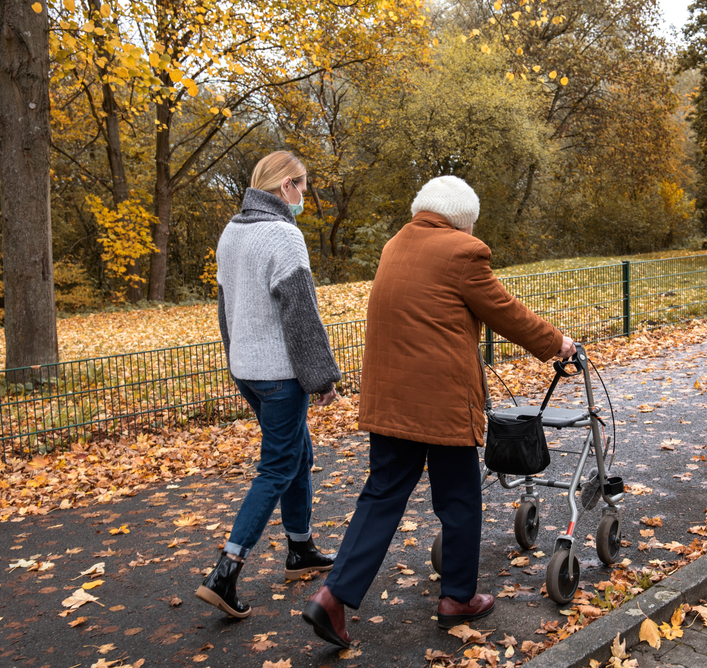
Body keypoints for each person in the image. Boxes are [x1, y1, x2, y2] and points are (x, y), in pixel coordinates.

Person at [303, 175, 575, 648]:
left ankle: (333, 596)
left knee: (382, 494)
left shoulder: (395, 245)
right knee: (460, 497)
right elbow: (505, 311)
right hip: (441, 403)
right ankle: (457, 598)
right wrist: (558, 344)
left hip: (390, 400)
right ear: (462, 220)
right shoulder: (462, 252)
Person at [195, 151, 342, 619]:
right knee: (277, 467)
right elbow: (301, 316)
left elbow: (224, 308)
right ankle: (226, 570)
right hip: (279, 374)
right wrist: (322, 378)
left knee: (299, 453)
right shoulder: (283, 235)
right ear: (285, 187)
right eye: (303, 185)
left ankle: (300, 549)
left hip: (248, 370)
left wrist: (236, 356)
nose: (305, 194)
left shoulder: (231, 231)